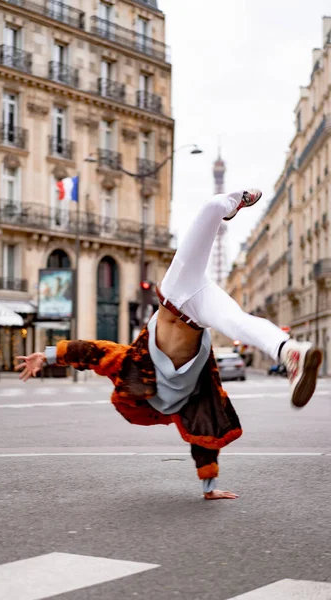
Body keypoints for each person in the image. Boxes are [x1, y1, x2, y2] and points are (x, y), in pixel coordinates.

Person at [16, 190, 322, 500]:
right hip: (200, 312)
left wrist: (48, 355)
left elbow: (95, 351)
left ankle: (233, 202)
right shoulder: (193, 396)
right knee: (238, 322)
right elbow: (204, 435)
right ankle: (288, 351)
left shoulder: (136, 368)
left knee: (213, 206)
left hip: (176, 295)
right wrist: (209, 486)